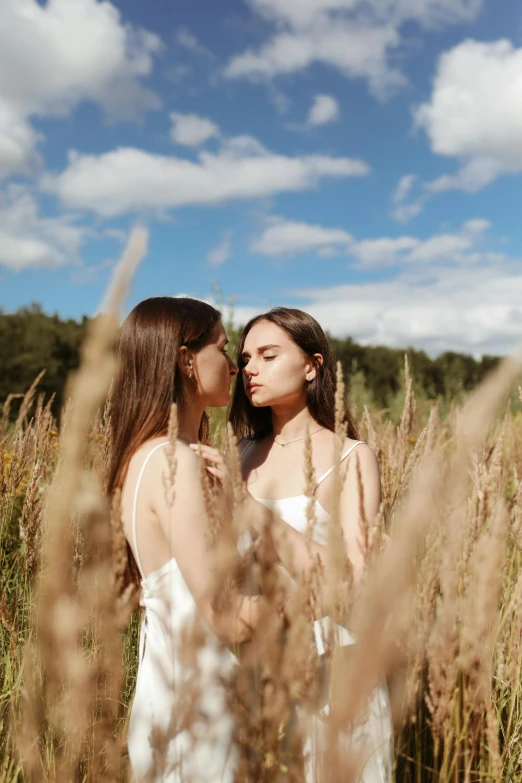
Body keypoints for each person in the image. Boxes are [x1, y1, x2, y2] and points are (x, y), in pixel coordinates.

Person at [194, 307, 393, 782]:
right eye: (244, 358)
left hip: (332, 665)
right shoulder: (237, 453)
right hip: (254, 665)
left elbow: (352, 581)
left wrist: (251, 509)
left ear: (312, 366)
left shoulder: (351, 456)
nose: (251, 369)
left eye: (268, 355)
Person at [107, 296, 268, 783]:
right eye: (222, 349)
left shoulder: (144, 457)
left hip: (169, 689)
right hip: (196, 707)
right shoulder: (172, 462)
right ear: (185, 360)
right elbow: (227, 617)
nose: (235, 366)